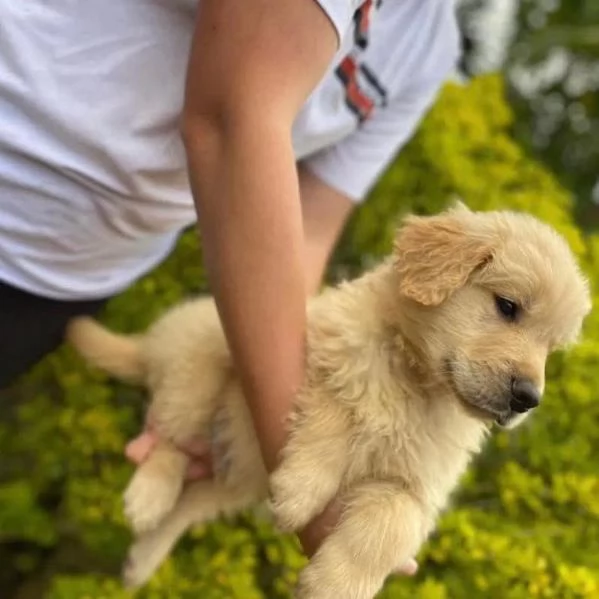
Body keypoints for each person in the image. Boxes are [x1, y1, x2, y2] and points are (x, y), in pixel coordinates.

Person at [0, 0, 460, 570]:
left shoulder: (429, 46)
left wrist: (237, 399)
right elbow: (229, 124)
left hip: (65, 280)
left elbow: (308, 234)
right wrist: (298, 460)